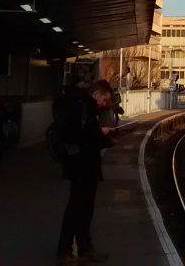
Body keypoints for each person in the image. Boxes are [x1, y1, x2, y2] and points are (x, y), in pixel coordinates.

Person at [56, 78, 113, 265]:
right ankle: (64, 251)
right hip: (80, 166)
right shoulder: (79, 107)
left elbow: (88, 138)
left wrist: (107, 138)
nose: (105, 104)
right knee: (76, 208)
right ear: (97, 94)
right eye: (104, 99)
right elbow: (72, 135)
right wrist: (100, 134)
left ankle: (84, 248)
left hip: (87, 165)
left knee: (86, 209)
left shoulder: (89, 109)